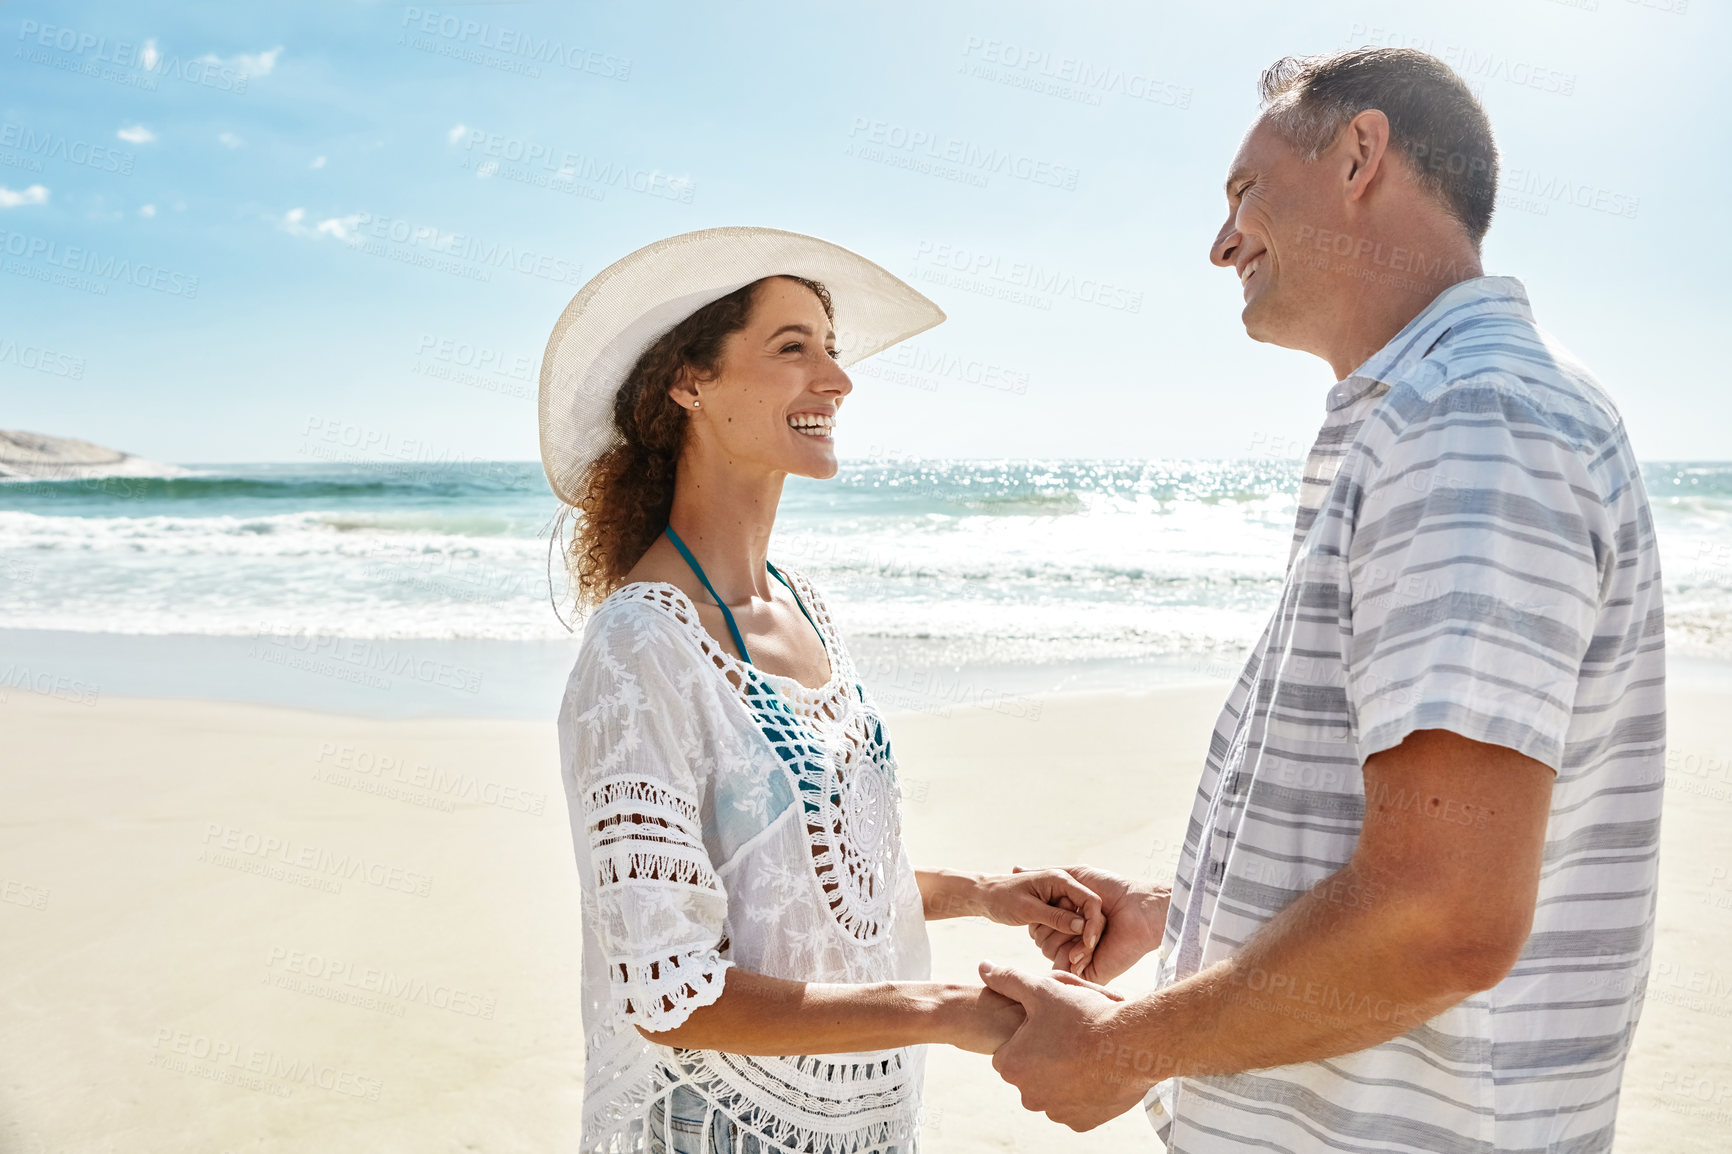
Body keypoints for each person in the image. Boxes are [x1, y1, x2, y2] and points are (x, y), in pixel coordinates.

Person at [982, 48, 1666, 1154]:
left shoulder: (1469, 420)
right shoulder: (1437, 412)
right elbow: (1416, 840)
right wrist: (1181, 908)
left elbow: (1438, 920)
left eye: (1244, 190)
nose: (1220, 242)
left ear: (1360, 154)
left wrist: (1121, 1047)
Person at [543, 227, 1108, 1154]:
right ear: (690, 381)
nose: (837, 381)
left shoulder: (803, 608)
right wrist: (949, 1009)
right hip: (716, 1130)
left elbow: (793, 891)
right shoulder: (641, 649)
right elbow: (668, 992)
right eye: (792, 348)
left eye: (833, 351)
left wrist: (985, 893)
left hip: (860, 1125)